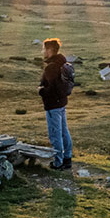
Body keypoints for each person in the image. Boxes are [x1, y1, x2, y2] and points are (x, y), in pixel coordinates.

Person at [38, 38, 75, 170]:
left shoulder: (52, 67)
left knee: (55, 134)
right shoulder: (62, 63)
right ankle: (67, 159)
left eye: (44, 49)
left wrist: (42, 91)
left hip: (53, 105)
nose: (43, 51)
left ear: (50, 50)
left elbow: (51, 88)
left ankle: (58, 163)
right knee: (64, 132)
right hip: (62, 103)